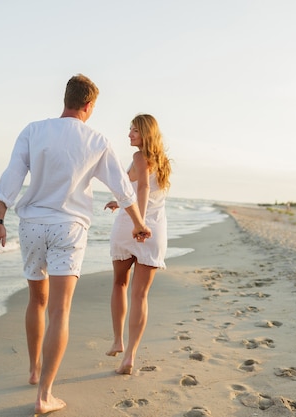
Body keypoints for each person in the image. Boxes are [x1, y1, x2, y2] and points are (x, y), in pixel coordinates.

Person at [0, 74, 151, 415]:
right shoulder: (96, 139)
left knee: (37, 301)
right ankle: (45, 394)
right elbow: (122, 189)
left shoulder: (33, 130)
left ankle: (34, 370)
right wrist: (138, 224)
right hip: (70, 228)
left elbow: (12, 176)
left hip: (32, 225)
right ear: (89, 106)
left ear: (66, 99)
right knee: (59, 310)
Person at [104, 114, 171, 375]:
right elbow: (142, 191)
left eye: (134, 130)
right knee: (140, 294)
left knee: (120, 283)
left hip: (133, 227)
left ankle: (118, 340)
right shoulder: (163, 162)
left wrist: (138, 223)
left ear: (145, 133)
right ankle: (129, 354)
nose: (129, 135)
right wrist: (119, 202)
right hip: (156, 230)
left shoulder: (139, 157)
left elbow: (142, 187)